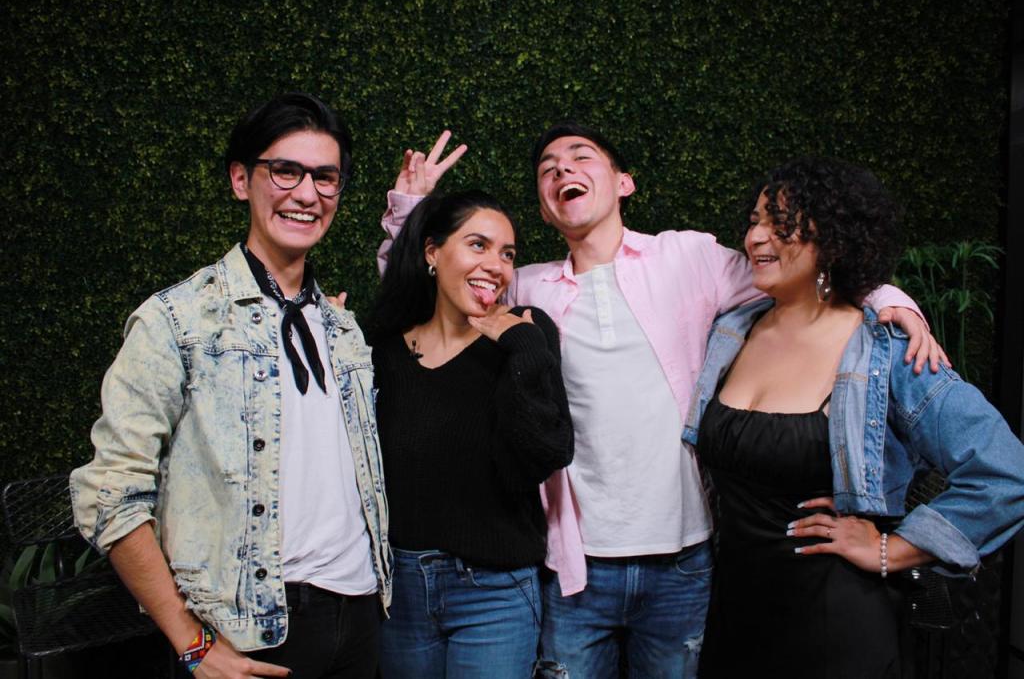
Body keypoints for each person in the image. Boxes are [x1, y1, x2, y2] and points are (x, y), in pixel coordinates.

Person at [377, 126, 943, 678]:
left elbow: (798, 270)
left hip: (684, 561)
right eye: (548, 169)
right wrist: (410, 210)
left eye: (581, 156)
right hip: (575, 568)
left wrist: (891, 301)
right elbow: (432, 294)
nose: (562, 168)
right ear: (546, 210)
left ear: (624, 183)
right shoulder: (526, 286)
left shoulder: (687, 256)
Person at [70, 92, 390, 679]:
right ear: (242, 180)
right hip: (247, 631)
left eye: (325, 177)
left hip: (361, 615)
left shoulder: (342, 329)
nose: (307, 194)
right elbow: (109, 494)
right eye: (285, 170)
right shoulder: (178, 320)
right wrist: (191, 643)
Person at [684, 156, 1024, 677]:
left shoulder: (886, 349)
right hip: (734, 615)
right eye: (754, 221)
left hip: (834, 625)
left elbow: (1004, 472)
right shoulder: (730, 331)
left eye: (782, 223)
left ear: (834, 240)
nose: (756, 237)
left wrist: (892, 549)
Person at [366, 190, 573, 678]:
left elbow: (546, 452)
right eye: (478, 245)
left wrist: (523, 348)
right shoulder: (383, 349)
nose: (496, 266)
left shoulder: (526, 332)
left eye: (507, 254)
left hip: (495, 593)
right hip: (401, 592)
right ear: (432, 252)